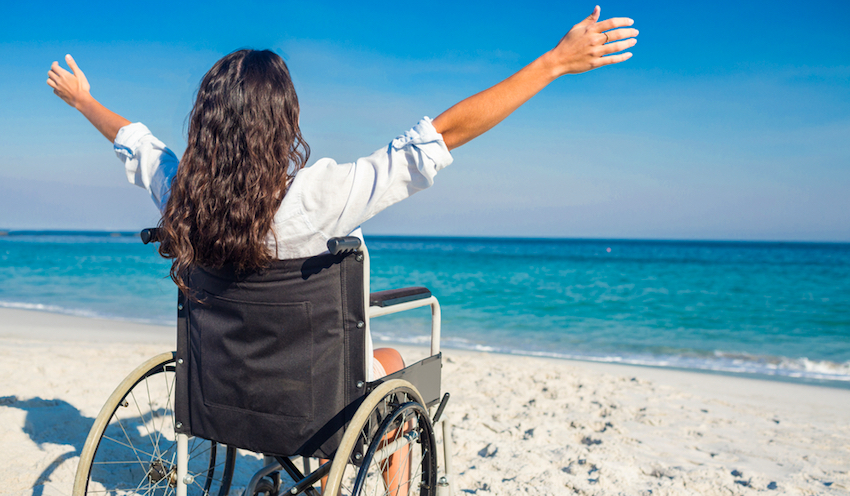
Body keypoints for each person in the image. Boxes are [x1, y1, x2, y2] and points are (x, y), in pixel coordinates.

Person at [48, 5, 636, 491]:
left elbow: (135, 142)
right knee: (393, 366)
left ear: (205, 123)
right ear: (283, 123)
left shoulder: (183, 197)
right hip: (315, 405)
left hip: (221, 397)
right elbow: (441, 137)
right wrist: (553, 63)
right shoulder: (319, 195)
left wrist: (82, 102)